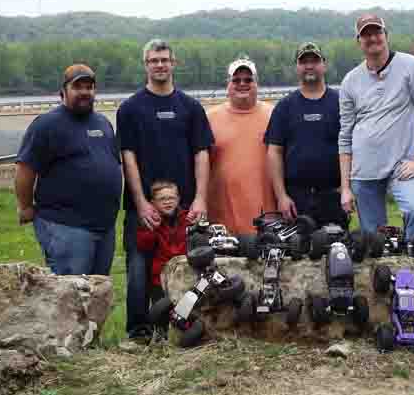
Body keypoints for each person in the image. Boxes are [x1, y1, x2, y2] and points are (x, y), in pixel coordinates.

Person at [116, 39, 214, 342]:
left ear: (174, 63)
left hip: (183, 211)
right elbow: (127, 156)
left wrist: (199, 198)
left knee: (186, 269)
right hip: (143, 210)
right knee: (138, 271)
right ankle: (139, 333)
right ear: (146, 65)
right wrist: (141, 203)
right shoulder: (130, 108)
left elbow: (201, 153)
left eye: (164, 60)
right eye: (153, 60)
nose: (160, 65)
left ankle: (179, 327)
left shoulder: (191, 107)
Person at [339, 14, 414, 258]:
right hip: (363, 174)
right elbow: (344, 137)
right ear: (359, 41)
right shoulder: (350, 81)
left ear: (386, 35)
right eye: (366, 34)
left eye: (377, 32)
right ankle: (383, 284)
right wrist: (345, 187)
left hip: (401, 167)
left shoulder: (411, 67)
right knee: (374, 243)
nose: (372, 37)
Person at [15, 64, 122, 275]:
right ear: (63, 91)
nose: (84, 92)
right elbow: (25, 170)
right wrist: (25, 206)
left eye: (89, 87)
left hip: (104, 227)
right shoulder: (46, 125)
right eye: (78, 87)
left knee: (97, 293)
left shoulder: (103, 123)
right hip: (65, 226)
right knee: (70, 295)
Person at [264, 42, 346, 227]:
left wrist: (347, 189)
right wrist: (281, 196)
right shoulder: (285, 106)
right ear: (297, 67)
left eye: (315, 61)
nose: (309, 66)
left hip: (333, 195)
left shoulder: (341, 102)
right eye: (304, 62)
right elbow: (274, 152)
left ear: (324, 65)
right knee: (298, 251)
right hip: (296, 198)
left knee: (336, 250)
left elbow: (354, 147)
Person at [206, 57, 275, 234]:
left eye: (248, 80)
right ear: (227, 85)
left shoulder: (275, 114)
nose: (242, 84)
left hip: (269, 217)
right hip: (222, 220)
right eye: (236, 80)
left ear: (257, 83)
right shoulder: (209, 118)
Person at [136, 180, 193, 337]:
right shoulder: (151, 221)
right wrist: (153, 227)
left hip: (184, 274)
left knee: (185, 308)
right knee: (161, 310)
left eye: (171, 198)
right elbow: (143, 245)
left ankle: (185, 334)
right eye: (162, 199)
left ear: (178, 199)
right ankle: (160, 336)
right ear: (153, 203)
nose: (168, 202)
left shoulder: (186, 218)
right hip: (160, 277)